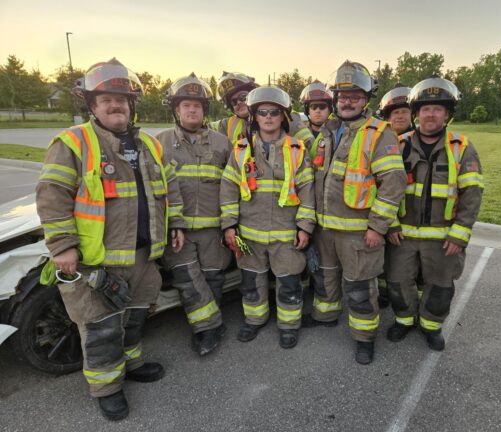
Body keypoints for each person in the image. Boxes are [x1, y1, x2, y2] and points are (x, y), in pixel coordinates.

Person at [36, 58, 185, 420]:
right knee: (101, 327)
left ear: (132, 105)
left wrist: (176, 223)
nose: (115, 105)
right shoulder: (73, 142)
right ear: (92, 105)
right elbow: (52, 195)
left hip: (142, 255)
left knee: (134, 317)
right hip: (95, 260)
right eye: (106, 100)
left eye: (122, 99)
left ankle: (130, 365)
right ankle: (107, 387)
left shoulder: (148, 145)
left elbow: (170, 187)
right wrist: (62, 246)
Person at [302, 60, 406, 364]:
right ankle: (325, 315)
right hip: (325, 228)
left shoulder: (379, 133)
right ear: (335, 98)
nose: (347, 101)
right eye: (342, 95)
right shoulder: (327, 130)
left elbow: (393, 184)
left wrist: (377, 227)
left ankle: (364, 337)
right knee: (326, 278)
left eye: (355, 96)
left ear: (366, 101)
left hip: (359, 231)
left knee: (360, 287)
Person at [385, 75, 484, 350]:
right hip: (402, 235)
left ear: (447, 114)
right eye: (425, 109)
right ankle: (404, 321)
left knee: (440, 285)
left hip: (443, 237)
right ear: (416, 113)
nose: (431, 114)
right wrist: (390, 224)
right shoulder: (399, 144)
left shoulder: (461, 147)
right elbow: (383, 188)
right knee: (396, 281)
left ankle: (431, 325)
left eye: (437, 108)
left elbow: (472, 194)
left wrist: (460, 234)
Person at [220, 86, 316, 349]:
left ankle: (289, 326)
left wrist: (305, 227)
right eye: (262, 112)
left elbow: (308, 191)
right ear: (254, 116)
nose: (269, 117)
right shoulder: (240, 149)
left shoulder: (297, 149)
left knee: (289, 283)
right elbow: (228, 189)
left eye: (275, 112)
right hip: (248, 234)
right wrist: (229, 225)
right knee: (251, 281)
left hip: (287, 234)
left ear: (284, 116)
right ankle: (255, 319)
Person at [156, 74, 232, 356]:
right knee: (189, 282)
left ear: (204, 110)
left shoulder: (223, 144)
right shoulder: (158, 143)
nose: (192, 110)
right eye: (186, 105)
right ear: (176, 109)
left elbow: (233, 186)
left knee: (214, 279)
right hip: (179, 231)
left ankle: (208, 326)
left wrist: (230, 225)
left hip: (214, 229)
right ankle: (208, 330)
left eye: (197, 106)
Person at [376, 84, 419, 308]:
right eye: (395, 112)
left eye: (404, 112)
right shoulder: (380, 141)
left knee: (415, 267)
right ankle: (385, 296)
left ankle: (414, 302)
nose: (400, 116)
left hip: (416, 218)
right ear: (387, 116)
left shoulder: (418, 142)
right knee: (385, 261)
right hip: (388, 216)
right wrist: (390, 223)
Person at [214, 71, 314, 150]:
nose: (239, 102)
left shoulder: (285, 117)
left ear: (254, 95)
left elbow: (310, 146)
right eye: (233, 101)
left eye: (243, 97)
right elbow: (203, 127)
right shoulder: (228, 124)